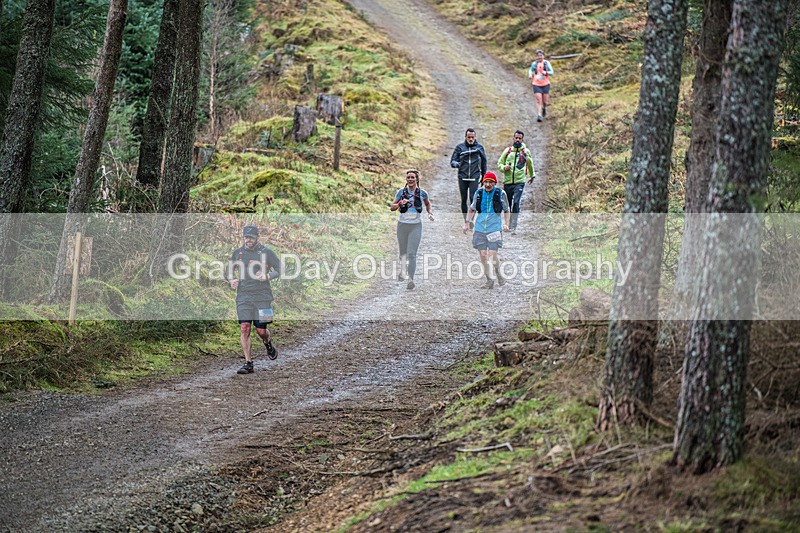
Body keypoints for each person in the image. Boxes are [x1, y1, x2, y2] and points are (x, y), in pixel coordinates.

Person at [229, 225, 281, 374]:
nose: (248, 240)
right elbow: (229, 270)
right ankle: (248, 363)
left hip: (263, 296)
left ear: (257, 237)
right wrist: (231, 279)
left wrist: (268, 276)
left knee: (261, 330)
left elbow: (280, 268)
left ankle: (268, 342)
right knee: (245, 328)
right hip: (243, 296)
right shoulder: (238, 253)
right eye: (246, 237)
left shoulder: (267, 253)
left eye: (251, 237)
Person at [463, 172, 510, 289]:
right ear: (483, 182)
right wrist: (467, 223)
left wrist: (506, 224)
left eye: (490, 182)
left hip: (494, 228)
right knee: (483, 255)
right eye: (486, 182)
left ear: (495, 183)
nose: (488, 184)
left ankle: (498, 273)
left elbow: (507, 210)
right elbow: (472, 208)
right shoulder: (478, 193)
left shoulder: (501, 193)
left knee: (492, 255)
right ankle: (489, 280)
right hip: (480, 228)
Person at [390, 169, 434, 290]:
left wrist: (430, 213)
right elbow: (392, 207)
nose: (410, 179)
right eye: (408, 177)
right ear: (406, 179)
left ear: (417, 179)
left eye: (412, 177)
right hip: (402, 225)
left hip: (415, 225)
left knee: (411, 254)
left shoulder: (422, 193)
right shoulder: (401, 192)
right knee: (403, 253)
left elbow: (427, 204)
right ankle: (403, 270)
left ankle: (411, 279)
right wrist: (400, 203)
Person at [497, 130, 535, 234]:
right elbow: (499, 164)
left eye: (520, 138)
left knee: (516, 202)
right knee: (507, 203)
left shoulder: (526, 152)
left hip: (520, 181)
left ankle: (513, 226)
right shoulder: (508, 151)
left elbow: (530, 164)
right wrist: (505, 168)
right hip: (508, 181)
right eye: (516, 138)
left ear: (522, 140)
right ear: (513, 139)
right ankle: (507, 224)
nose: (517, 140)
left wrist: (532, 176)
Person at [450, 128, 487, 220]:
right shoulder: (460, 147)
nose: (470, 139)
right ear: (465, 137)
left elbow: (484, 162)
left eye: (472, 137)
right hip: (462, 176)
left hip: (475, 176)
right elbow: (452, 161)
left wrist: (484, 176)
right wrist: (457, 164)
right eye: (469, 137)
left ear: (475, 137)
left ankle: (471, 219)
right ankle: (465, 220)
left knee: (472, 199)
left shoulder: (479, 148)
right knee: (463, 199)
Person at [528, 50, 554, 122]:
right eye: (538, 56)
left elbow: (552, 72)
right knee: (538, 99)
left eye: (541, 56)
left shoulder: (546, 63)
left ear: (543, 56)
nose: (539, 57)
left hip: (545, 84)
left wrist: (546, 72)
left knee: (545, 101)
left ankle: (544, 108)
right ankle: (539, 115)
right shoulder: (534, 64)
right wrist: (530, 74)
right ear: (536, 57)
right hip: (536, 84)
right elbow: (530, 70)